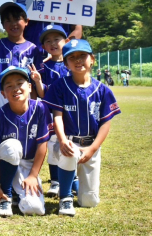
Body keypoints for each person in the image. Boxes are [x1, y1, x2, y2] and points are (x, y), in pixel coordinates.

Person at [43, 39, 121, 216]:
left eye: (82, 56)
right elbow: (57, 117)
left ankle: (74, 181)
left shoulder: (103, 90)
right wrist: (62, 140)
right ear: (66, 63)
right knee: (69, 151)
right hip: (69, 141)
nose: (78, 60)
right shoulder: (60, 86)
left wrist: (93, 149)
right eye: (72, 57)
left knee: (89, 201)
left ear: (92, 59)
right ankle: (65, 197)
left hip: (91, 146)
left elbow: (105, 124)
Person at [0, 66, 51, 217]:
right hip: (5, 161)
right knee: (12, 145)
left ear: (30, 87)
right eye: (9, 86)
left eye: (20, 83)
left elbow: (42, 144)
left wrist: (33, 175)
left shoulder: (40, 109)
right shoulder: (0, 115)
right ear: (3, 94)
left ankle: (16, 192)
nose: (16, 88)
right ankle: (5, 195)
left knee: (34, 209)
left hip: (28, 165)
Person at [28, 25, 70, 198]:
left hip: (70, 113)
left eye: (57, 39)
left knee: (70, 145)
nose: (53, 43)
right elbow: (43, 94)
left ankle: (70, 178)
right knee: (53, 146)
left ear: (66, 41)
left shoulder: (71, 63)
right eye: (48, 41)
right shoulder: (43, 68)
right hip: (52, 113)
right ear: (43, 47)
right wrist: (37, 80)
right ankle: (55, 181)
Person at [0, 2, 40, 114]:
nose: (13, 24)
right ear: (3, 25)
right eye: (8, 20)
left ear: (26, 21)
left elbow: (35, 79)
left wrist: (34, 98)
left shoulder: (33, 49)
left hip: (25, 91)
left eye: (17, 19)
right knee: (2, 125)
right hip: (1, 92)